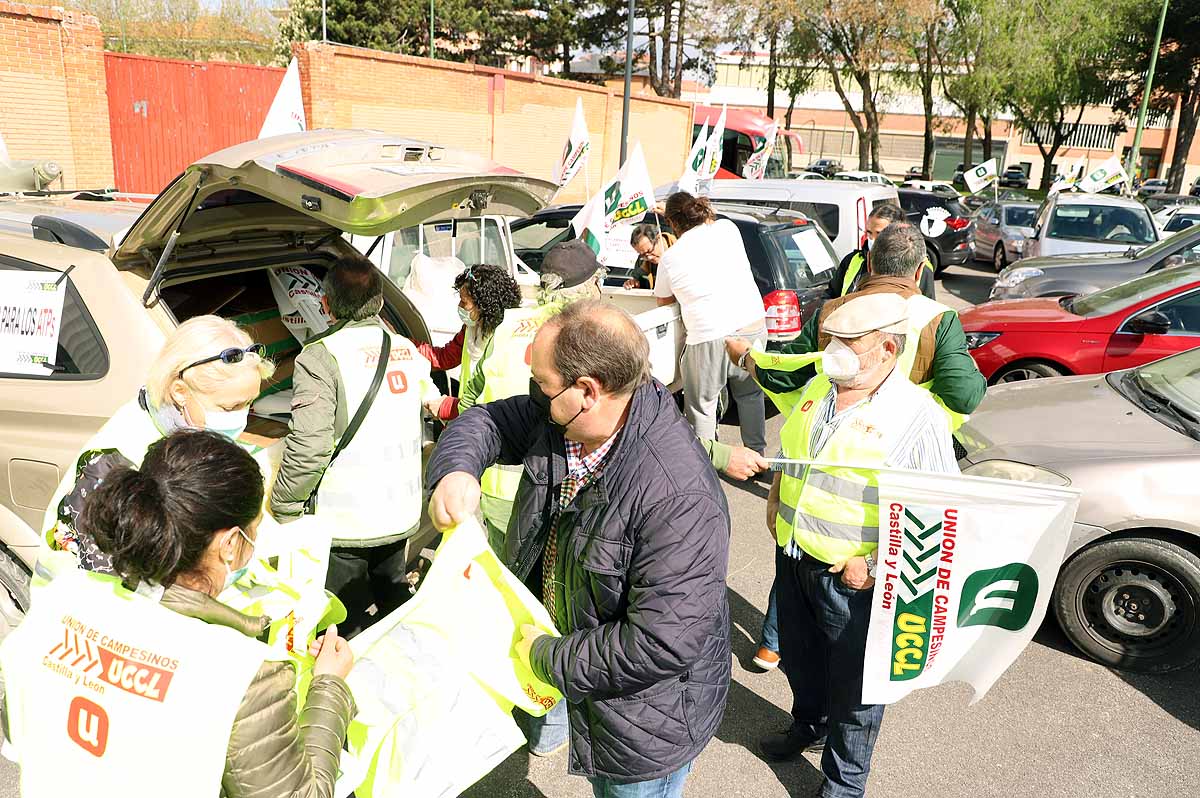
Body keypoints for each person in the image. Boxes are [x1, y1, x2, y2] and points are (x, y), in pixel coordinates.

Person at [426, 299, 732, 798]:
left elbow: (661, 642)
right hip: (587, 670)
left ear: (588, 391)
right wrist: (455, 470)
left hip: (643, 721)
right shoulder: (566, 416)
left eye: (544, 386)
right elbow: (489, 422)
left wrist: (545, 657)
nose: (535, 395)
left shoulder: (677, 495)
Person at [1, 430, 355, 798]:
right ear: (231, 544)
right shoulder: (244, 675)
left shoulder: (59, 600)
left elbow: (20, 731)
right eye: (255, 533)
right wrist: (330, 685)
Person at [756, 293, 958, 797]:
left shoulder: (916, 416)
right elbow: (792, 451)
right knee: (801, 660)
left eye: (848, 343)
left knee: (858, 687)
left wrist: (871, 562)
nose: (833, 351)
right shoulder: (820, 387)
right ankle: (809, 725)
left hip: (854, 580)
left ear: (888, 349)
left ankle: (844, 784)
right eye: (831, 340)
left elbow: (937, 508)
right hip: (794, 555)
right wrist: (777, 498)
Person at [270, 252, 440, 635]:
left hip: (345, 527)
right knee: (393, 609)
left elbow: (309, 447)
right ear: (379, 302)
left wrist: (284, 505)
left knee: (343, 625)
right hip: (400, 516)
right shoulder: (405, 350)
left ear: (325, 304)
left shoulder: (320, 356)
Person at [42, 315, 275, 574]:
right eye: (230, 407)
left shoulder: (192, 431)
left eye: (249, 403)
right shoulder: (116, 462)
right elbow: (102, 571)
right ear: (179, 392)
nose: (241, 417)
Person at [736, 222, 985, 422]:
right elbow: (963, 397)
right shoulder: (940, 319)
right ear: (920, 271)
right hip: (899, 450)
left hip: (830, 444)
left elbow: (781, 375)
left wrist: (744, 357)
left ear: (868, 264)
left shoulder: (829, 311)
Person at [469, 238, 606, 547]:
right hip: (559, 488)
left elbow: (472, 397)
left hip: (498, 488)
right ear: (589, 288)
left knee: (506, 578)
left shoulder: (505, 325)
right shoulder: (589, 336)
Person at [655, 191, 767, 455]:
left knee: (703, 405)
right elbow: (711, 219)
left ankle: (706, 464)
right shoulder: (728, 229)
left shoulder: (670, 258)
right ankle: (756, 455)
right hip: (751, 325)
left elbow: (663, 303)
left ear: (671, 223)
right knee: (751, 395)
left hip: (708, 334)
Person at [416, 263, 523, 421]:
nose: (459, 306)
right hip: (470, 419)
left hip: (495, 421)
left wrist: (449, 407)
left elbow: (485, 390)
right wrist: (406, 347)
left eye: (464, 302)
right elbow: (444, 357)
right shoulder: (471, 330)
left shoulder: (508, 337)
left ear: (484, 306)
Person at [825, 204, 935, 300]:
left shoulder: (920, 267)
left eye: (880, 233)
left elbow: (929, 312)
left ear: (899, 232)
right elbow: (831, 295)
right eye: (869, 232)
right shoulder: (852, 260)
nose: (872, 239)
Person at [624, 224, 675, 290]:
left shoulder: (682, 250)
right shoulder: (642, 261)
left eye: (650, 250)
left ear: (658, 239)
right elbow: (637, 280)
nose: (649, 258)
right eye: (643, 255)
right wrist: (633, 283)